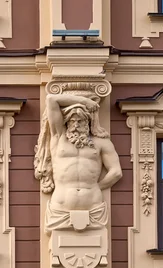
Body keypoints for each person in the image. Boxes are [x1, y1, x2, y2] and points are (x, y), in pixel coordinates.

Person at [34, 94, 122, 232]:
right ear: (67, 122)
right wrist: (84, 101)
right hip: (60, 208)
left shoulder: (101, 143)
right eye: (72, 121)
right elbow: (51, 100)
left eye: (80, 121)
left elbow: (116, 172)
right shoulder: (58, 138)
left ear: (88, 123)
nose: (76, 125)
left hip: (94, 207)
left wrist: (95, 187)